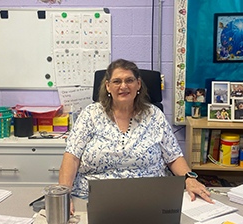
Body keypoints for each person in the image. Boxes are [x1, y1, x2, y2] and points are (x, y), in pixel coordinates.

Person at [59, 59, 214, 214]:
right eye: (117, 81)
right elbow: (72, 156)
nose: (123, 86)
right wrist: (64, 194)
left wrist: (189, 178)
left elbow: (173, 156)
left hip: (149, 200)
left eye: (129, 80)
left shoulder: (154, 115)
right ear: (108, 86)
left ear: (138, 84)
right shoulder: (90, 114)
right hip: (91, 199)